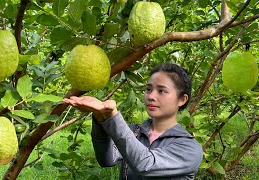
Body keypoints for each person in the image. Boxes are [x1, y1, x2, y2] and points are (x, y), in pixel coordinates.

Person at [63, 63, 203, 179]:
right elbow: (107, 159)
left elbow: (146, 164)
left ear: (182, 99)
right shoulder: (134, 132)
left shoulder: (190, 148)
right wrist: (101, 117)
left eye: (161, 91)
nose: (151, 96)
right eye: (148, 89)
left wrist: (113, 117)